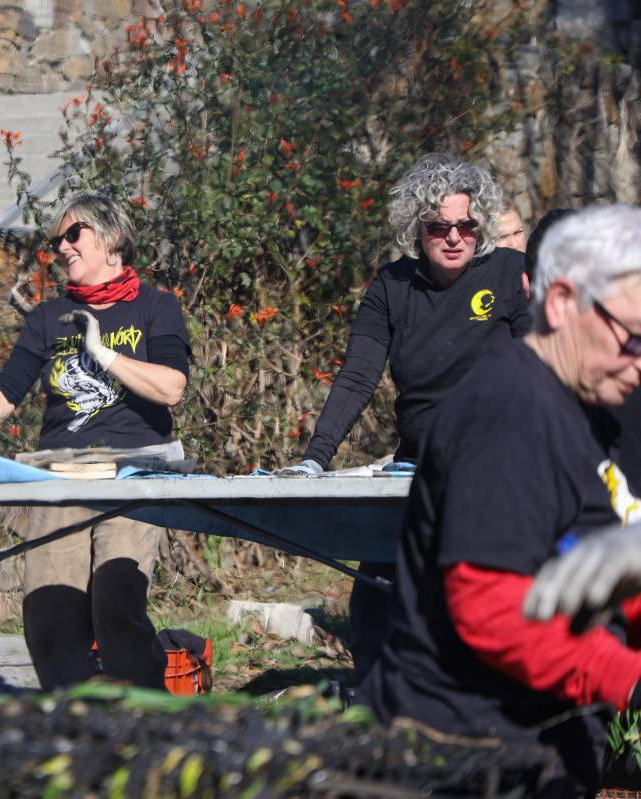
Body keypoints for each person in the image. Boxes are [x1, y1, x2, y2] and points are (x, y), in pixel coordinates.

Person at [360, 205, 641, 795]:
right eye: (633, 338)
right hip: (463, 756)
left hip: (542, 749)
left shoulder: (589, 406)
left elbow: (594, 558)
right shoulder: (509, 411)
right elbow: (493, 607)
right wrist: (630, 679)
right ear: (561, 303)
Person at [277, 154, 531, 679]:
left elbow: (544, 365)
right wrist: (314, 459)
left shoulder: (509, 273)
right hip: (415, 468)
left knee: (474, 607)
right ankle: (379, 720)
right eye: (440, 226)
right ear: (417, 227)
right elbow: (357, 377)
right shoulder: (392, 286)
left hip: (498, 467)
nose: (455, 236)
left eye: (467, 225)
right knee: (376, 605)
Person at [0, 193, 191, 691]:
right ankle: (72, 720)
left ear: (111, 240)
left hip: (132, 472)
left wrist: (101, 352)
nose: (61, 247)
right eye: (57, 239)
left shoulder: (156, 307)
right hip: (61, 473)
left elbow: (171, 387)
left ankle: (144, 720)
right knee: (49, 606)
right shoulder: (48, 317)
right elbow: (7, 388)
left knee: (115, 600)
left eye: (72, 234)